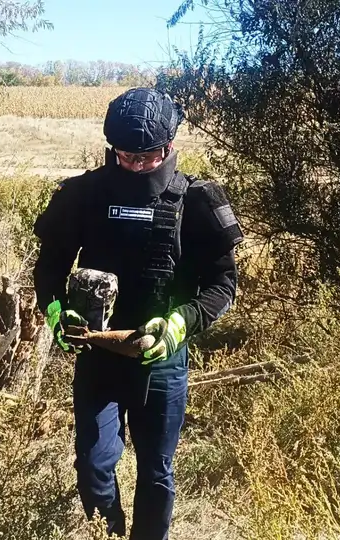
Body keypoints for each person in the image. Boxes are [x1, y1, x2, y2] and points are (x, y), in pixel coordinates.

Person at [32, 87, 243, 540]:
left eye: (149, 156)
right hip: (99, 356)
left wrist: (180, 323)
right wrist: (55, 312)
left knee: (156, 471)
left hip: (161, 360)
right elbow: (49, 266)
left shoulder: (197, 203)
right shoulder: (82, 196)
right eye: (127, 156)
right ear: (113, 150)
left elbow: (224, 285)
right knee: (93, 464)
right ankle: (106, 533)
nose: (139, 165)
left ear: (169, 149)